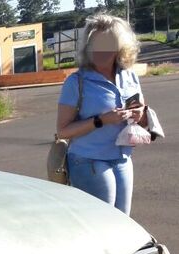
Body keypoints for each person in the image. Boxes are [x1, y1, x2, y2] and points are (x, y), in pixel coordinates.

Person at [56, 14, 147, 216]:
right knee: (102, 221)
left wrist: (140, 113)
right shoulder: (76, 82)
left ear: (121, 47)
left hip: (123, 158)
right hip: (88, 160)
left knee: (122, 220)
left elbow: (142, 110)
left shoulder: (129, 76)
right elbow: (62, 131)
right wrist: (101, 120)